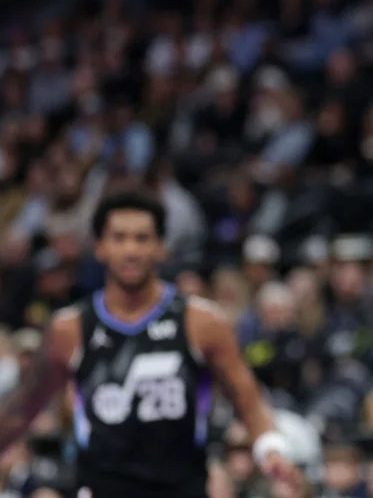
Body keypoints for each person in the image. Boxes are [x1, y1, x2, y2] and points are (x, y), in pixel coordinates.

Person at [0, 191, 301, 498]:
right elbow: (21, 411)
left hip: (182, 488)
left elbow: (247, 398)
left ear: (160, 248)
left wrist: (270, 447)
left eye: (142, 238)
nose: (131, 250)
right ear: (100, 247)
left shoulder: (202, 322)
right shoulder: (70, 329)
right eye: (119, 238)